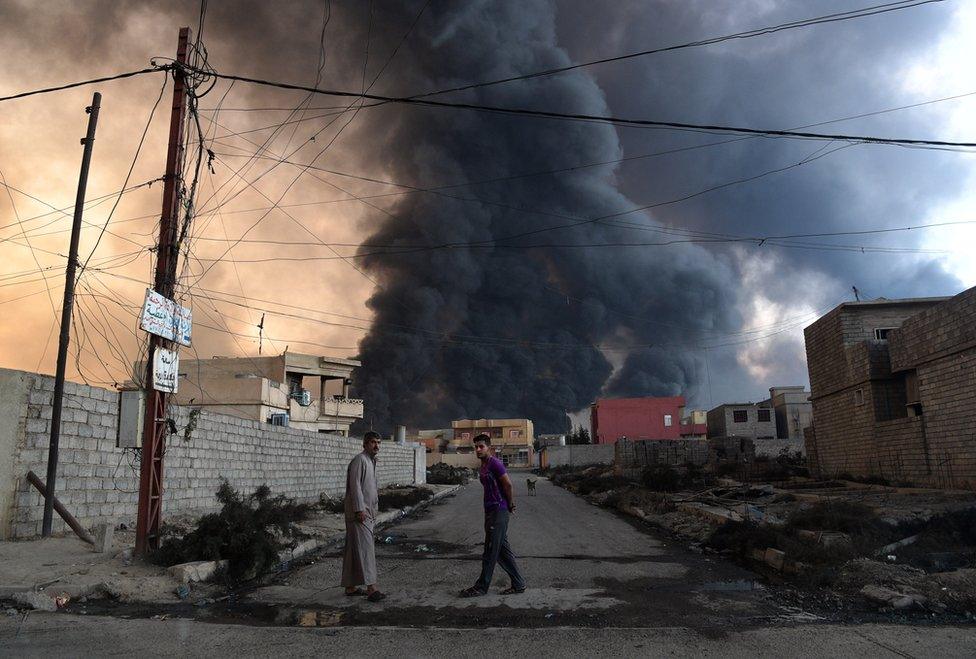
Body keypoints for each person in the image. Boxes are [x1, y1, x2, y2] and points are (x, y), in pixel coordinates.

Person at [459, 433, 526, 597]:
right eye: (476, 447)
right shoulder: (483, 466)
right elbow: (488, 490)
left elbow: (508, 485)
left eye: (481, 446)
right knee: (502, 550)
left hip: (499, 510)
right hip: (490, 511)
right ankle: (519, 584)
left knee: (490, 551)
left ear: (489, 447)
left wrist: (510, 504)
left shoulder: (495, 463)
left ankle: (481, 587)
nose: (478, 449)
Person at [342, 431, 386, 602]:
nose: (376, 446)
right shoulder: (360, 460)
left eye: (378, 442)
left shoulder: (371, 461)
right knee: (367, 550)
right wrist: (359, 510)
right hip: (360, 514)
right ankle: (372, 588)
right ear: (365, 444)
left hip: (367, 513)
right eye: (373, 442)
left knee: (353, 551)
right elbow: (355, 487)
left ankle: (350, 587)